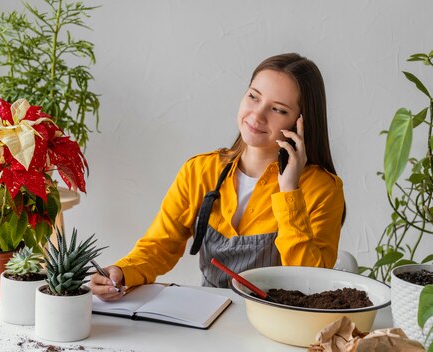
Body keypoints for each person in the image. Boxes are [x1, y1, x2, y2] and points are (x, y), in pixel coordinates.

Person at [91, 53, 346, 301]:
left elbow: (312, 283)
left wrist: (290, 190)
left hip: (277, 323)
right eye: (253, 97)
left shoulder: (322, 189)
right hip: (209, 317)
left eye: (278, 109)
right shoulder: (200, 171)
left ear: (301, 123)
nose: (257, 115)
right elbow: (158, 247)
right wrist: (122, 273)